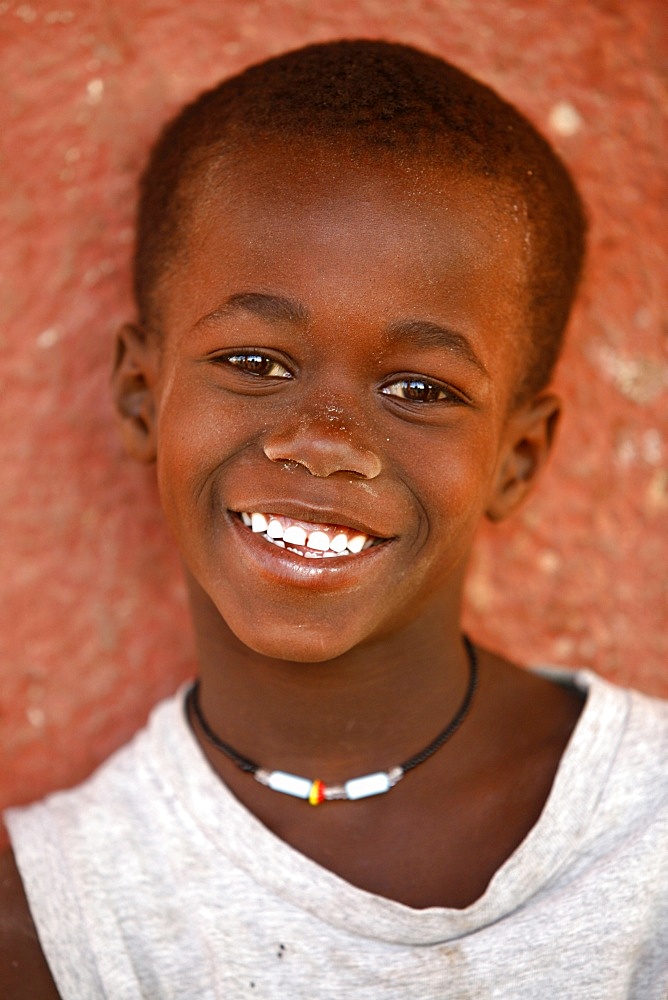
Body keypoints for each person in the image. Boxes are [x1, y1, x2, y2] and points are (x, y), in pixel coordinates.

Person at [1, 39, 666, 999]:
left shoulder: (650, 833)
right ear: (144, 397)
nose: (322, 443)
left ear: (517, 459)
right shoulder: (54, 927)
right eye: (255, 363)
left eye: (418, 387)